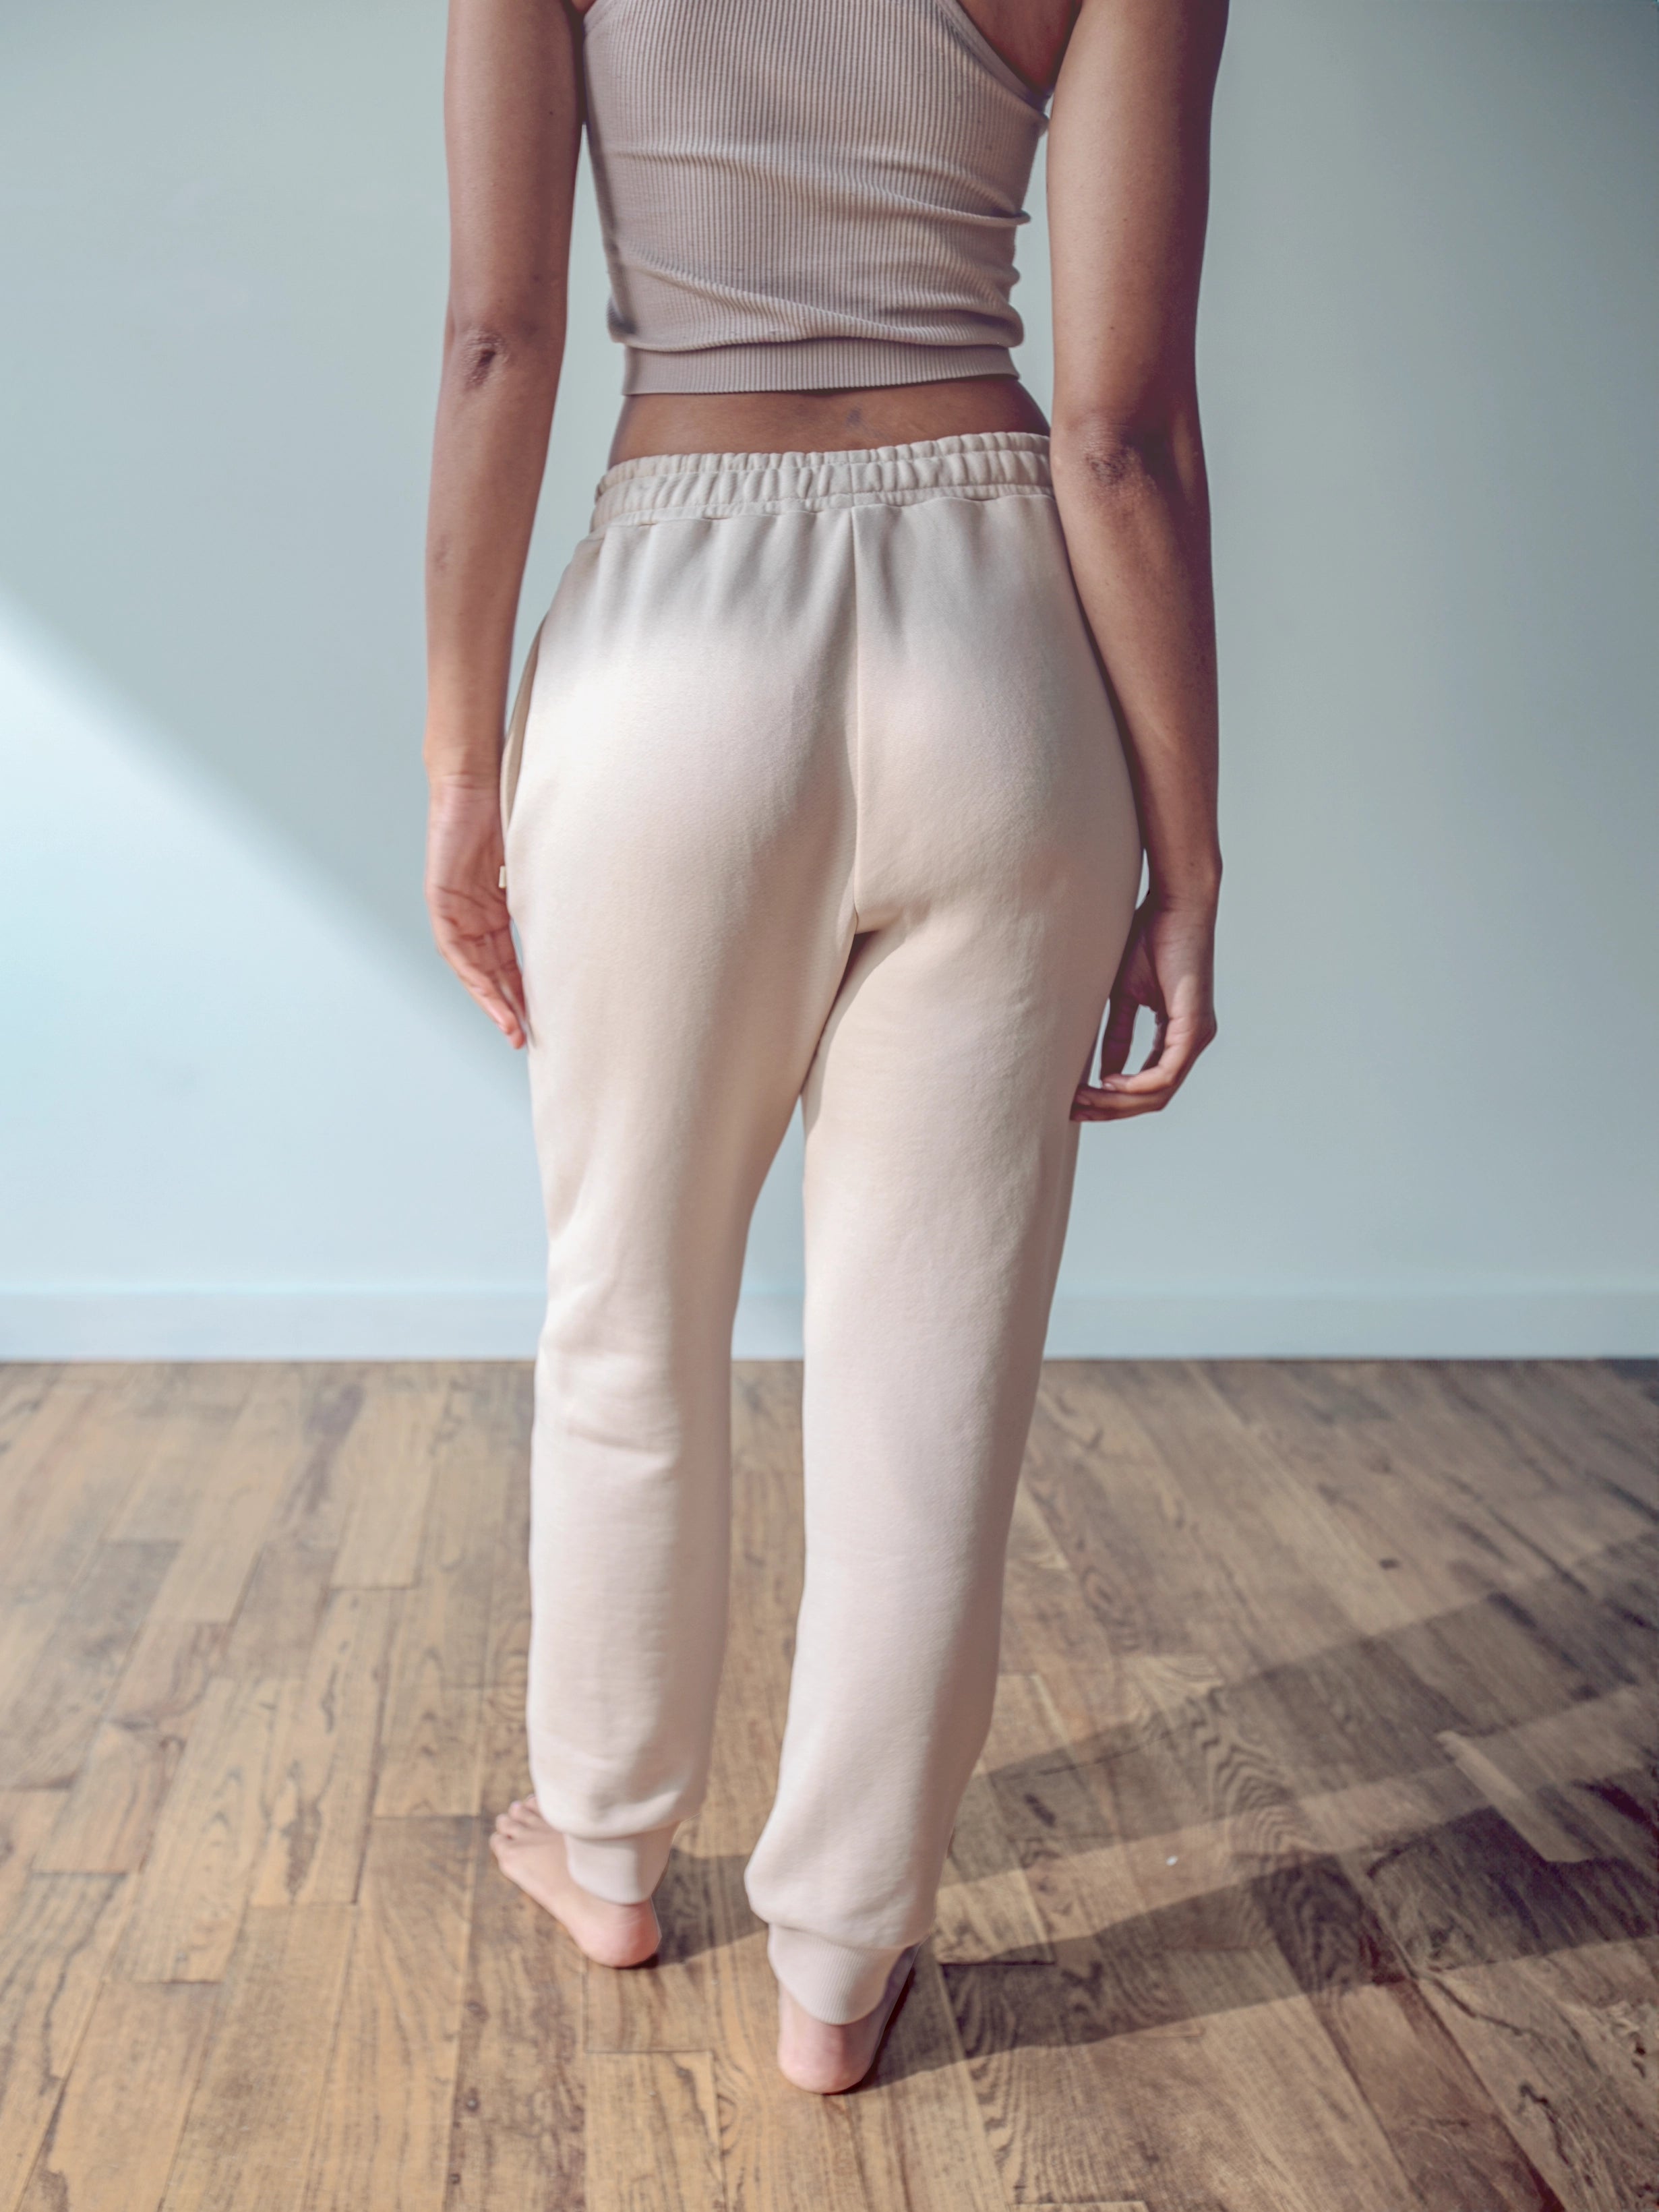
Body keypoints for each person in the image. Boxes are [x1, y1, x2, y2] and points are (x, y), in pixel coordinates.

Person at [423, 0, 1226, 2095]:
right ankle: (840, 1959)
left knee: (626, 1306)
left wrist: (453, 765)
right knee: (929, 1377)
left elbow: (499, 339)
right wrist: (1191, 856)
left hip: (676, 622)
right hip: (1000, 646)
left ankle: (604, 1850)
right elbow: (1121, 435)